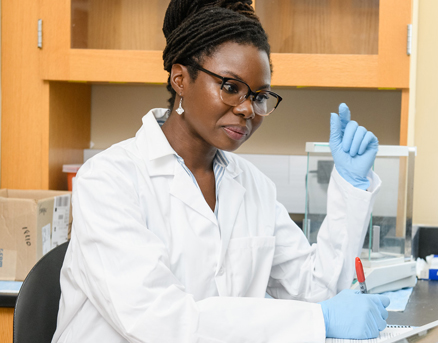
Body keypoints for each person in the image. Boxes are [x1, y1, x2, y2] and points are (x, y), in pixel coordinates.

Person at [51, 1, 389, 342]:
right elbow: (158, 320)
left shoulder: (254, 187)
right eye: (230, 87)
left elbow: (315, 291)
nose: (246, 109)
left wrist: (351, 185)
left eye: (259, 96)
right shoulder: (108, 179)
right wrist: (319, 319)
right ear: (181, 79)